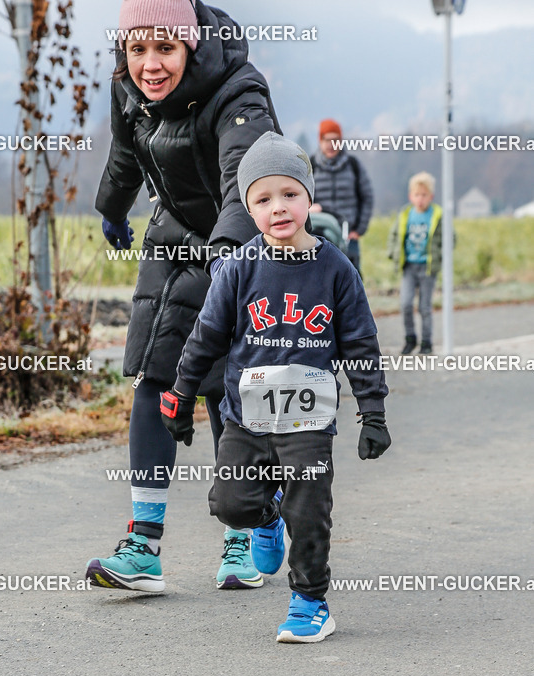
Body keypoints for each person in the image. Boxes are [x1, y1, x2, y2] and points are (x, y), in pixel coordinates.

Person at [161, 132, 391, 642]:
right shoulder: (240, 267)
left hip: (308, 421)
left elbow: (360, 341)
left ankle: (310, 602)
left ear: (310, 198)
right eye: (262, 199)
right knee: (230, 505)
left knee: (309, 509)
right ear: (249, 208)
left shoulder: (336, 269)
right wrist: (179, 396)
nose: (278, 208)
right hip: (247, 418)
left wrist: (372, 412)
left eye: (289, 194)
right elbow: (206, 336)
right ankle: (266, 517)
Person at [85, 0, 281, 594]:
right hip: (170, 243)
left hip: (237, 249)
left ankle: (242, 531)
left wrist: (229, 257)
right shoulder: (130, 89)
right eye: (137, 49)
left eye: (165, 49)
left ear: (191, 48)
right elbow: (125, 154)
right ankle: (143, 546)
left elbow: (245, 185)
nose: (149, 64)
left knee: (226, 387)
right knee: (153, 379)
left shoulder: (240, 94)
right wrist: (112, 210)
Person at [387, 171, 443, 354]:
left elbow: (449, 238)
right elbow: (395, 235)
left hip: (427, 268)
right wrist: (392, 253)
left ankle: (426, 342)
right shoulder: (405, 214)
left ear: (431, 197)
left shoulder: (436, 215)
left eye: (424, 195)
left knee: (425, 307)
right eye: (417, 195)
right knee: (405, 304)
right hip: (409, 266)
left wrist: (440, 256)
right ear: (411, 196)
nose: (420, 199)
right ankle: (410, 338)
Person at [310, 119, 374, 276]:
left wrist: (359, 229)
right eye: (327, 140)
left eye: (335, 140)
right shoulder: (311, 166)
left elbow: (367, 197)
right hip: (320, 233)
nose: (331, 145)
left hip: (349, 235)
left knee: (352, 277)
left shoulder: (353, 165)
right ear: (320, 140)